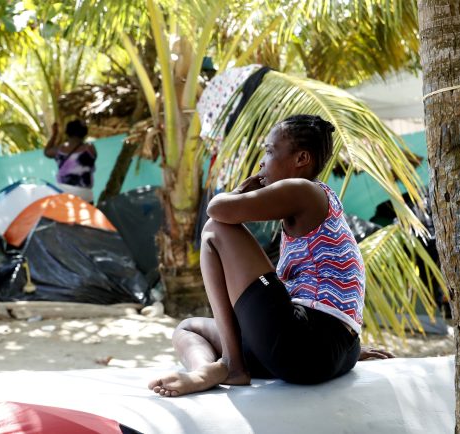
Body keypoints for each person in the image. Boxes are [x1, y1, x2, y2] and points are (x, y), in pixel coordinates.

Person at [148, 114, 393, 398]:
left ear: (302, 158)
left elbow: (218, 210)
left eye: (269, 151)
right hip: (326, 350)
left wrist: (240, 191)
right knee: (188, 329)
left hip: (308, 342)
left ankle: (231, 364)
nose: (262, 162)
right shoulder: (318, 201)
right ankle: (208, 368)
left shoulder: (304, 190)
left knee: (216, 229)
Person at [44, 119, 97, 203]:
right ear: (84, 132)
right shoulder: (90, 148)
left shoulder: (60, 150)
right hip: (85, 195)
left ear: (67, 133)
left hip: (64, 194)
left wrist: (55, 134)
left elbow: (46, 152)